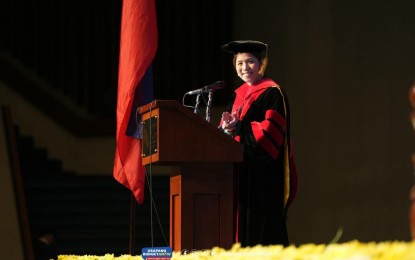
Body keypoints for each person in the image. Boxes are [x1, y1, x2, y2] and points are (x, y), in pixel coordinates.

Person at [219, 40, 297, 247]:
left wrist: (240, 127)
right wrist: (227, 128)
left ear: (261, 63)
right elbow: (226, 134)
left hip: (262, 177)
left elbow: (270, 134)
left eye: (250, 62)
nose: (245, 68)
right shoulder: (237, 96)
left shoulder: (273, 93)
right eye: (240, 63)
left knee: (261, 232)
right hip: (238, 174)